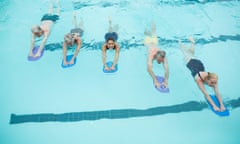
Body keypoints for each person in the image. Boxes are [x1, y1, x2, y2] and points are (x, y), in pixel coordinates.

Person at [179, 36, 226, 112]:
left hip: (199, 64)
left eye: (214, 82)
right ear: (207, 79)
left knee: (191, 54)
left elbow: (217, 93)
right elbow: (205, 94)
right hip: (190, 63)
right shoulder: (198, 79)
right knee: (185, 52)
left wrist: (222, 105)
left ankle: (192, 43)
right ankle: (180, 41)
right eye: (212, 83)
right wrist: (214, 106)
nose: (213, 84)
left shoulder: (213, 78)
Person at [144, 22, 169, 89]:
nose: (160, 62)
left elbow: (167, 69)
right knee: (147, 33)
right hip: (148, 42)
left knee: (154, 31)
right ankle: (147, 23)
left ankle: (152, 21)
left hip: (155, 42)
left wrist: (166, 80)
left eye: (161, 61)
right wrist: (155, 80)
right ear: (156, 56)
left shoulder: (163, 55)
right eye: (159, 60)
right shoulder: (151, 55)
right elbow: (149, 69)